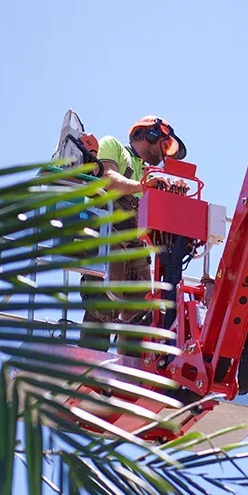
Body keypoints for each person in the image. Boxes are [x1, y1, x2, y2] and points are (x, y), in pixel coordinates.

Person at [79, 116, 187, 356]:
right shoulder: (114, 147)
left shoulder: (149, 173)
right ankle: (89, 366)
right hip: (109, 236)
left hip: (137, 247)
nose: (164, 153)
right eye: (165, 144)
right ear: (148, 135)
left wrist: (173, 198)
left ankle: (132, 375)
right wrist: (143, 186)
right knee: (103, 303)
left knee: (140, 316)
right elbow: (108, 178)